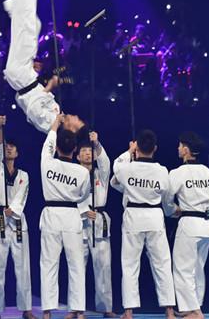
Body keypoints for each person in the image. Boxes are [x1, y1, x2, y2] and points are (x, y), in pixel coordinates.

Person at [0, 0, 85, 135]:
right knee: (31, 25)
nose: (76, 117)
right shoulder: (57, 116)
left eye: (77, 122)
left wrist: (49, 87)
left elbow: (32, 111)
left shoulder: (52, 125)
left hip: (22, 78)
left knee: (27, 29)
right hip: (24, 77)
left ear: (72, 129)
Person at [111, 130, 176, 319]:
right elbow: (166, 194)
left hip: (134, 217)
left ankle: (129, 312)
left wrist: (129, 151)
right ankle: (169, 311)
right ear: (155, 148)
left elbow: (116, 167)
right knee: (162, 263)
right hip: (154, 216)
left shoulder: (127, 168)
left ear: (137, 147)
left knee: (130, 264)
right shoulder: (162, 171)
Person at [39, 114, 91, 319]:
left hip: (51, 215)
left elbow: (48, 145)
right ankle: (78, 311)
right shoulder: (82, 172)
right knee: (76, 264)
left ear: (58, 148)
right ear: (75, 149)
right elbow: (84, 195)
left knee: (49, 264)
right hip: (71, 215)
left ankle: (47, 312)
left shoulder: (47, 163)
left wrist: (55, 125)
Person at [170, 132, 209, 319]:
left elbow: (167, 197)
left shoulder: (178, 173)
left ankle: (194, 311)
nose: (178, 148)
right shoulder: (207, 172)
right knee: (198, 268)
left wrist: (173, 210)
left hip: (189, 223)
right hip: (206, 225)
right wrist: (208, 214)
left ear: (186, 149)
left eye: (180, 146)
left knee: (182, 268)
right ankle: (194, 307)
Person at [0, 116, 35, 319]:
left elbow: (22, 196)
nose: (8, 149)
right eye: (7, 146)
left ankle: (26, 309)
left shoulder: (24, 175)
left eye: (12, 147)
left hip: (17, 220)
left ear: (18, 153)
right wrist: (0, 127)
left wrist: (13, 209)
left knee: (23, 266)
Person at [72, 132, 116, 318]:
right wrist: (82, 210)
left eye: (90, 151)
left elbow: (105, 162)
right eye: (83, 151)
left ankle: (106, 307)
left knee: (104, 267)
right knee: (77, 268)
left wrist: (96, 143)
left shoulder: (101, 174)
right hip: (79, 222)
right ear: (77, 156)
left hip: (99, 221)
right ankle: (76, 309)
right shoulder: (72, 174)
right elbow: (67, 197)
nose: (87, 154)